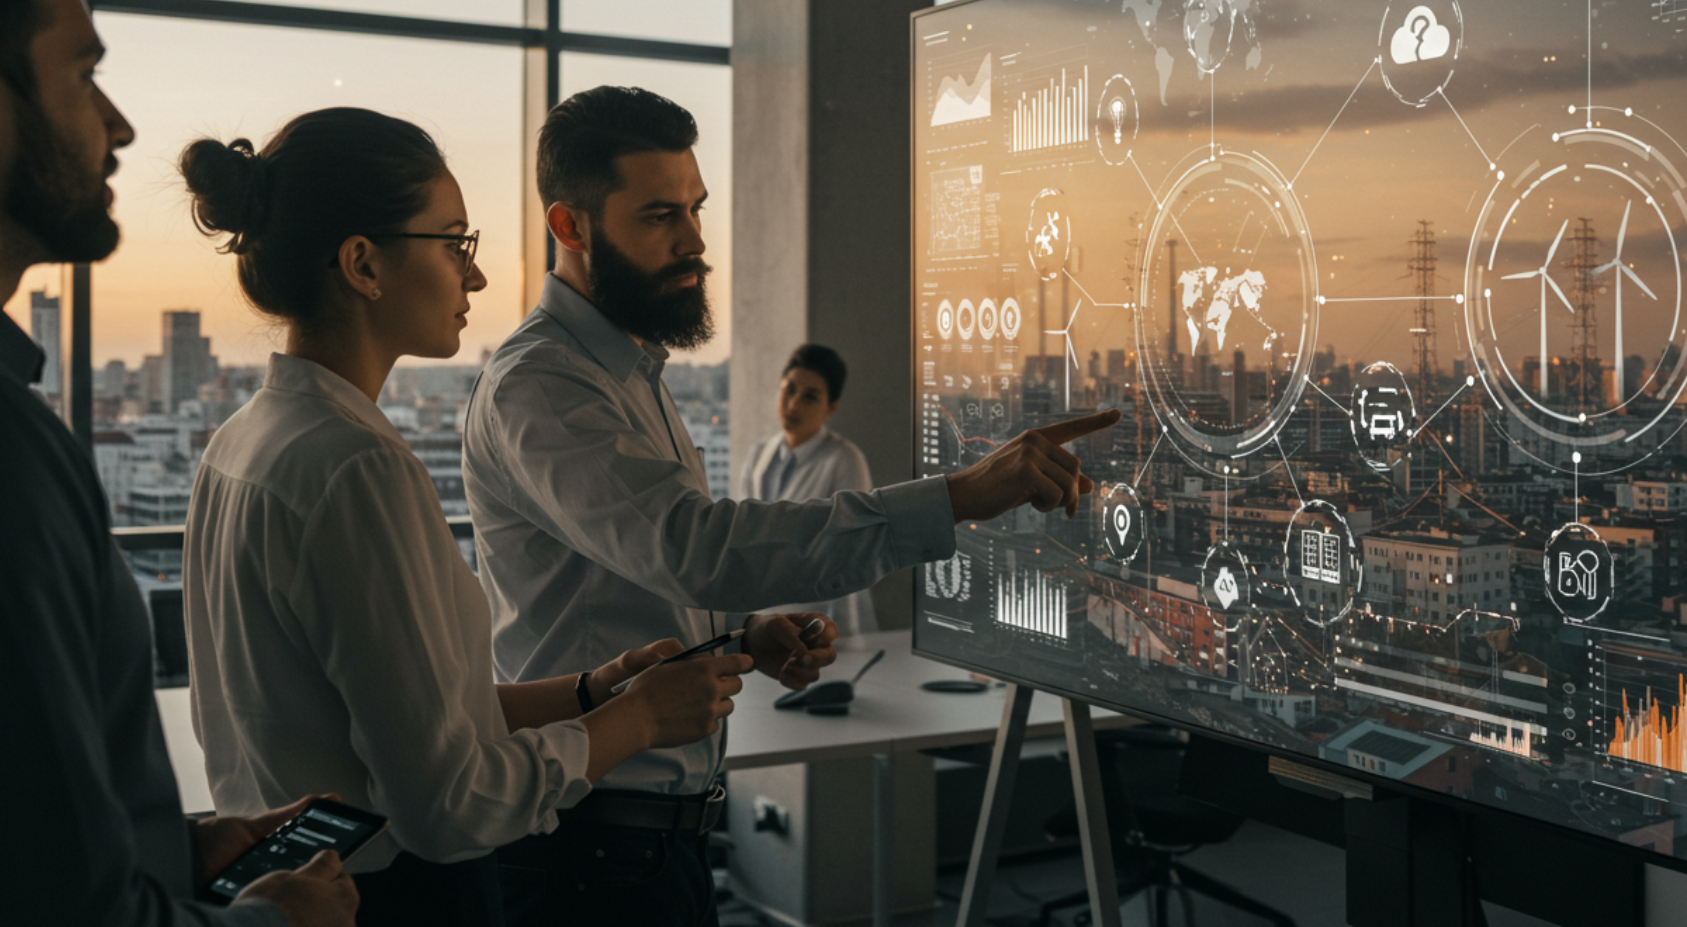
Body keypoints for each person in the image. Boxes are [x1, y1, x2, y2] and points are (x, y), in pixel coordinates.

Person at [461, 85, 1117, 926]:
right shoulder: (546, 385)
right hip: (589, 845)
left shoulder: (626, 372)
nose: (695, 241)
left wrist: (738, 636)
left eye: (695, 209)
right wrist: (958, 497)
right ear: (571, 227)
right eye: (660, 215)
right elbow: (694, 547)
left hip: (637, 837)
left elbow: (633, 584)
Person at [178, 107, 756, 927]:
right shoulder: (358, 467)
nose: (475, 279)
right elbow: (450, 806)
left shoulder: (242, 442)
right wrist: (634, 721)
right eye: (454, 244)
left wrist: (590, 690)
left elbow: (404, 717)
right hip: (390, 896)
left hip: (297, 875)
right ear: (363, 265)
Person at [0, 0, 359, 926]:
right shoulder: (13, 462)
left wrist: (162, 848)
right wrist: (281, 920)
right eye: (82, 74)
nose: (118, 124)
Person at [738, 343, 879, 633]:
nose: (793, 405)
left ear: (831, 408)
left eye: (809, 397)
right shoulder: (758, 456)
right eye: (789, 390)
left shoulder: (844, 460)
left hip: (827, 618)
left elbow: (852, 551)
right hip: (766, 614)